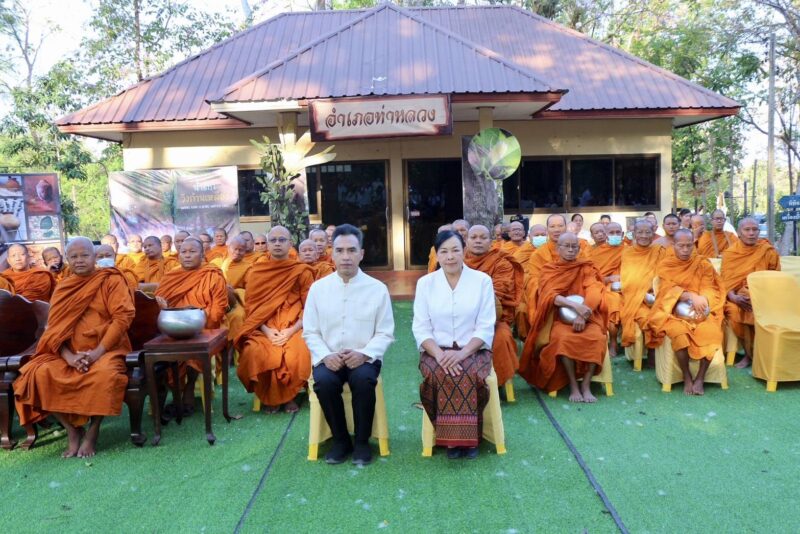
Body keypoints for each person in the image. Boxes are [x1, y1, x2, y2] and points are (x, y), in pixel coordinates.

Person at [14, 237, 135, 458]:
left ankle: (93, 430)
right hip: (68, 351)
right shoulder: (64, 287)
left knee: (104, 375)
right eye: (74, 256)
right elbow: (53, 328)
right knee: (37, 374)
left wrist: (97, 353)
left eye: (84, 255)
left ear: (94, 257)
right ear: (67, 259)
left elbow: (122, 318)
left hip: (107, 348)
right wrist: (69, 356)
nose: (79, 260)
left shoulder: (111, 280)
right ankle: (71, 430)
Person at [303, 224, 395, 465]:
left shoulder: (377, 289)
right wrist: (325, 355)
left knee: (363, 380)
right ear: (332, 254)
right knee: (324, 382)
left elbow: (385, 332)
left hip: (364, 358)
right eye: (340, 250)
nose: (346, 257)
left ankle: (362, 442)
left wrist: (364, 354)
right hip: (328, 356)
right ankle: (341, 440)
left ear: (361, 254)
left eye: (352, 250)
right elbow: (310, 331)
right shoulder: (318, 289)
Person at [413, 230, 495, 460]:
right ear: (436, 254)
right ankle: (451, 440)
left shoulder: (482, 281)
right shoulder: (425, 283)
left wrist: (462, 354)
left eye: (455, 250)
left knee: (468, 372)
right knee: (438, 373)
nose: (450, 257)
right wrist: (440, 355)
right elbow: (421, 327)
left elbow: (486, 326)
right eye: (444, 252)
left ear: (464, 251)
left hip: (474, 350)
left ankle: (469, 440)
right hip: (435, 351)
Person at [519, 233, 608, 403]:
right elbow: (549, 295)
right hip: (559, 318)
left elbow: (594, 290)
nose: (570, 250)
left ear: (579, 249)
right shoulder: (549, 269)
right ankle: (573, 385)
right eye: (566, 246)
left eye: (574, 246)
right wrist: (574, 306)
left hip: (587, 315)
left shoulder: (586, 267)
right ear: (558, 248)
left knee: (597, 337)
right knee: (563, 338)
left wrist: (584, 313)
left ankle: (586, 385)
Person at [236, 226, 315, 413]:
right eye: (273, 240)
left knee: (299, 350)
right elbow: (251, 308)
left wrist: (291, 330)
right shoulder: (256, 272)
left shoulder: (301, 271)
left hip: (295, 326)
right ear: (267, 245)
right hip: (264, 327)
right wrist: (267, 331)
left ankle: (290, 396)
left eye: (282, 240)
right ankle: (271, 395)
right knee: (254, 350)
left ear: (290, 244)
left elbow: (311, 307)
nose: (277, 244)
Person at [155, 237, 228, 415]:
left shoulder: (212, 274)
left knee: (193, 355)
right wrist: (161, 305)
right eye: (184, 252)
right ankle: (175, 393)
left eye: (192, 252)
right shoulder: (171, 276)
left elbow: (219, 307)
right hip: (172, 328)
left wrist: (200, 318)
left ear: (202, 255)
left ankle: (188, 388)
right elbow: (158, 304)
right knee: (161, 355)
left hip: (203, 327)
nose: (187, 255)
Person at [647, 229, 725, 395]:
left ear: (693, 245)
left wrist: (703, 298)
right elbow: (667, 289)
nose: (685, 250)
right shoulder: (666, 264)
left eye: (689, 245)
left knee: (712, 332)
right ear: (673, 245)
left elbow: (710, 287)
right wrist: (689, 296)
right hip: (672, 312)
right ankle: (687, 376)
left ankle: (700, 378)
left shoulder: (702, 263)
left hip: (700, 310)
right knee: (679, 333)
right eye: (681, 246)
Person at [465, 225, 523, 388]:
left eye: (483, 237)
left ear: (491, 241)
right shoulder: (457, 261)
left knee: (501, 339)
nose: (478, 241)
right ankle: (460, 383)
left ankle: (495, 384)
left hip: (494, 318)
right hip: (458, 318)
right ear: (466, 241)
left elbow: (498, 293)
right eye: (473, 237)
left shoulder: (501, 263)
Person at [720, 217, 781, 368]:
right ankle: (750, 354)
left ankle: (757, 355)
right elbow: (726, 280)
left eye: (755, 230)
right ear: (739, 232)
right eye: (747, 230)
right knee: (734, 312)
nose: (751, 233)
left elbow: (775, 276)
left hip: (764, 294)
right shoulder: (731, 253)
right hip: (735, 296)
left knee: (756, 310)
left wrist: (759, 294)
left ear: (759, 232)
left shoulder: (767, 250)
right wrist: (734, 297)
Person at [620, 221, 665, 365]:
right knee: (646, 317)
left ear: (653, 234)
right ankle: (652, 351)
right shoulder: (627, 253)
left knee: (663, 314)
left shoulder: (660, 251)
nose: (644, 236)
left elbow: (664, 275)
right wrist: (642, 294)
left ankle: (657, 351)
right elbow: (627, 280)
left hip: (656, 295)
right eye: (640, 232)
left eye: (648, 232)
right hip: (634, 298)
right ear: (634, 234)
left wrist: (654, 291)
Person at [588, 222, 623, 355]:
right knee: (612, 300)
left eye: (617, 232)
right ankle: (612, 341)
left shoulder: (628, 250)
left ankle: (615, 341)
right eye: (611, 233)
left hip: (626, 285)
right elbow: (589, 274)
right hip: (601, 285)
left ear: (622, 234)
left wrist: (623, 278)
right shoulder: (595, 253)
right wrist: (607, 279)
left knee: (615, 297)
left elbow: (635, 270)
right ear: (606, 235)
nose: (615, 235)